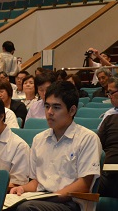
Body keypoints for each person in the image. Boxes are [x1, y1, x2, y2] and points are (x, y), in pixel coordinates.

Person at [9, 81, 102, 211]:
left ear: (72, 110)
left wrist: (52, 196)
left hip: (70, 204)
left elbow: (84, 185)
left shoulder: (87, 139)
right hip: (41, 199)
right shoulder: (39, 139)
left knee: (27, 208)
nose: (50, 112)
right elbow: (37, 182)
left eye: (56, 107)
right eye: (47, 106)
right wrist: (22, 188)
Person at [97, 113, 118, 198]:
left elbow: (98, 145)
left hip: (109, 174)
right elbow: (97, 146)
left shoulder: (111, 119)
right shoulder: (110, 119)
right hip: (109, 172)